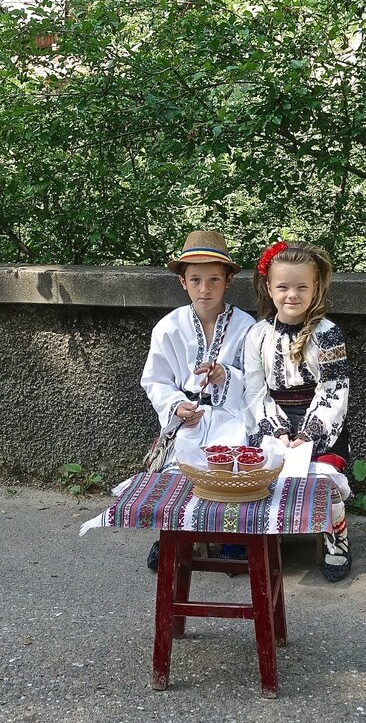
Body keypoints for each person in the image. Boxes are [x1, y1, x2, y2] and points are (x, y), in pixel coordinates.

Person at [141, 230, 256, 571]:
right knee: (179, 468)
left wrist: (227, 376)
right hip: (187, 419)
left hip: (231, 414)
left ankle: (234, 538)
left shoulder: (246, 326)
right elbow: (155, 379)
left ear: (229, 280)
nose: (205, 289)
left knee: (235, 465)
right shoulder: (168, 327)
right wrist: (176, 406)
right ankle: (172, 535)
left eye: (214, 280)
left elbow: (255, 381)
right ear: (183, 283)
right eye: (195, 280)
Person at [242, 240, 352, 582]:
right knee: (258, 474)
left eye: (302, 286)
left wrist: (307, 433)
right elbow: (254, 388)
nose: (292, 294)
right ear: (269, 288)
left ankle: (337, 537)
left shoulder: (328, 334)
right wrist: (276, 430)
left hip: (319, 425)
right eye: (283, 287)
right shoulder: (257, 335)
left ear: (315, 287)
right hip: (273, 422)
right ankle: (268, 539)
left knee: (325, 479)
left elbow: (334, 389)